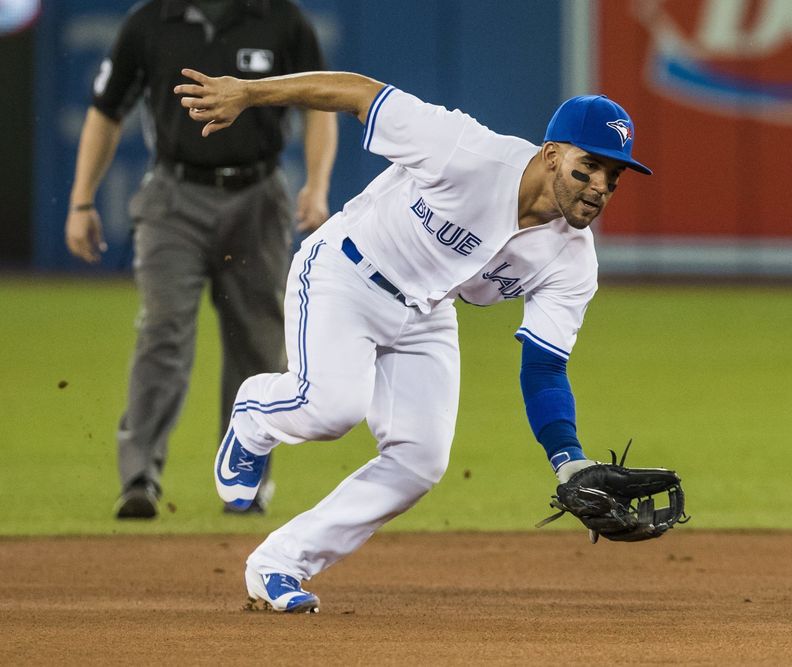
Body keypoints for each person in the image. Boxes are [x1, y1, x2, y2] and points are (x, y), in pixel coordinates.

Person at [174, 66, 652, 613]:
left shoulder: (572, 260)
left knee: (420, 461)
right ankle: (256, 415)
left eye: (613, 177)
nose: (598, 187)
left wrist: (568, 460)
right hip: (347, 273)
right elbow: (359, 94)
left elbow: (544, 368)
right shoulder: (465, 151)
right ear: (550, 155)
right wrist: (251, 94)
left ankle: (281, 562)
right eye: (587, 166)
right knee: (332, 409)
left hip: (425, 311)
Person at [64, 0, 338, 519]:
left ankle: (245, 479)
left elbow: (318, 105)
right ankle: (139, 476)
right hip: (174, 196)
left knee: (257, 342)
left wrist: (317, 184)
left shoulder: (279, 17)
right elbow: (106, 110)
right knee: (162, 329)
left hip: (258, 194)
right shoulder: (150, 20)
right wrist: (81, 200)